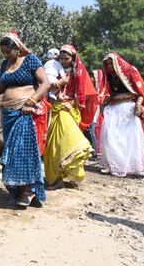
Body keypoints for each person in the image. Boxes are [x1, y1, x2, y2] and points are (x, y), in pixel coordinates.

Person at [0, 31, 50, 207]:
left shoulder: (31, 60)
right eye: (3, 52)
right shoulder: (5, 64)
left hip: (24, 112)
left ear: (18, 48)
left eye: (8, 51)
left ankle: (27, 191)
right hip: (8, 114)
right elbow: (0, 88)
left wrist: (30, 102)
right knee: (12, 152)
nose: (6, 55)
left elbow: (45, 83)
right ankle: (22, 190)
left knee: (22, 151)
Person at [43, 44, 97, 188]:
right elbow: (47, 86)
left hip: (68, 110)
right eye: (61, 58)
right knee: (55, 144)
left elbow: (83, 93)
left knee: (72, 141)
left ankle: (70, 175)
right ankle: (56, 179)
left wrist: (72, 103)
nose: (63, 61)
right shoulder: (55, 70)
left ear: (73, 58)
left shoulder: (78, 72)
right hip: (56, 107)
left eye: (66, 58)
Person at [99, 52, 144, 178]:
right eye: (107, 64)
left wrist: (138, 105)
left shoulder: (130, 71)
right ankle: (113, 165)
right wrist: (103, 104)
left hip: (128, 108)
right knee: (110, 136)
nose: (109, 66)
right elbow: (112, 94)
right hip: (113, 109)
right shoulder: (110, 76)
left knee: (129, 138)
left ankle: (131, 166)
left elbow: (141, 92)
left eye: (110, 63)